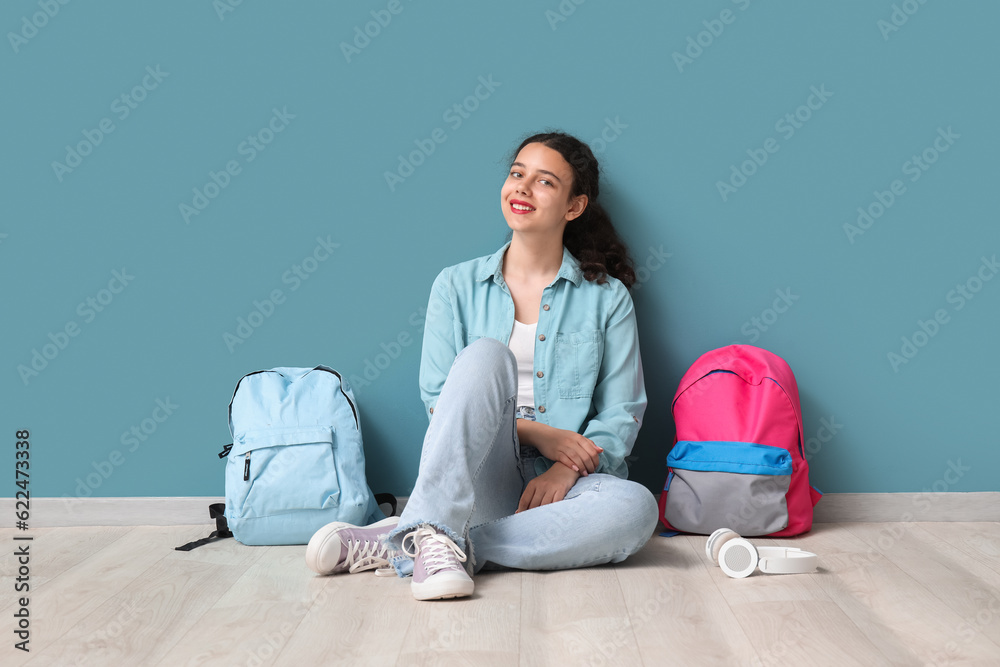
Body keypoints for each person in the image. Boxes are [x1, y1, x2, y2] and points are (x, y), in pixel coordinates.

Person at [305, 131, 659, 600]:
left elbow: (622, 411)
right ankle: (432, 532)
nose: (523, 188)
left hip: (562, 487)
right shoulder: (455, 286)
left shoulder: (607, 298)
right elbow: (439, 402)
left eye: (545, 182)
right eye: (517, 174)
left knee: (635, 508)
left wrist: (565, 469)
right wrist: (536, 434)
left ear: (574, 207)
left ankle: (422, 540)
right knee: (487, 355)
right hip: (479, 475)